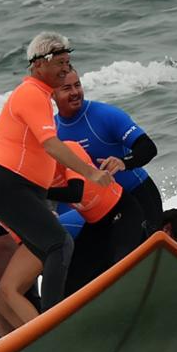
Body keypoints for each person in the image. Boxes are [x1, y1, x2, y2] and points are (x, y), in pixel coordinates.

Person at [0, 32, 116, 324]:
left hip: (20, 191)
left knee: (42, 256)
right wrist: (91, 173)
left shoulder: (33, 95)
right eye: (61, 63)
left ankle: (37, 328)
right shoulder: (32, 93)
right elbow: (51, 144)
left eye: (69, 63)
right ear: (40, 64)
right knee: (60, 243)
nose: (67, 69)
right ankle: (53, 322)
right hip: (11, 189)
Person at [54, 69, 163, 234]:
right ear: (52, 94)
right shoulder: (51, 130)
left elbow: (148, 147)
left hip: (137, 196)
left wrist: (123, 162)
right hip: (94, 211)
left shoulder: (104, 115)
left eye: (77, 85)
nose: (75, 92)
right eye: (67, 88)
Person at [47, 142, 146, 297]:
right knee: (70, 281)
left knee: (119, 267)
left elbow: (75, 193)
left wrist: (36, 191)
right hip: (96, 225)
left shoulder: (68, 149)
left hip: (122, 212)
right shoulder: (37, 169)